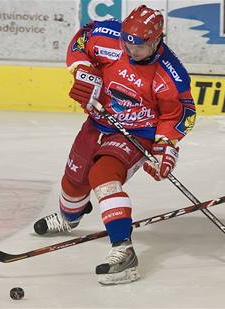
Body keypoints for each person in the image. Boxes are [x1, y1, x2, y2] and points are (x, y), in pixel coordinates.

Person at [33, 5, 196, 285]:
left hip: (135, 133)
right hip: (97, 122)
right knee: (74, 179)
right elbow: (81, 41)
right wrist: (83, 69)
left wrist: (166, 146)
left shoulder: (170, 75)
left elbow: (181, 113)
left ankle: (123, 249)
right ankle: (70, 218)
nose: (132, 50)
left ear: (157, 40)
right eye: (127, 43)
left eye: (140, 45)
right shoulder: (108, 35)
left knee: (102, 175)